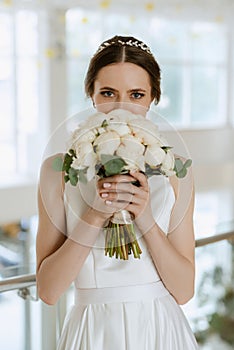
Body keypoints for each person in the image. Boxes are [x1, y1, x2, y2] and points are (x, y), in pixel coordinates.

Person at [36, 35, 198, 349]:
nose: (121, 107)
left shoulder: (175, 169)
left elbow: (184, 290)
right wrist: (95, 213)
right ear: (91, 95)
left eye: (136, 94)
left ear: (152, 98)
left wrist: (146, 217)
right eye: (108, 93)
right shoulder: (57, 170)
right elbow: (49, 291)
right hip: (93, 330)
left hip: (159, 329)